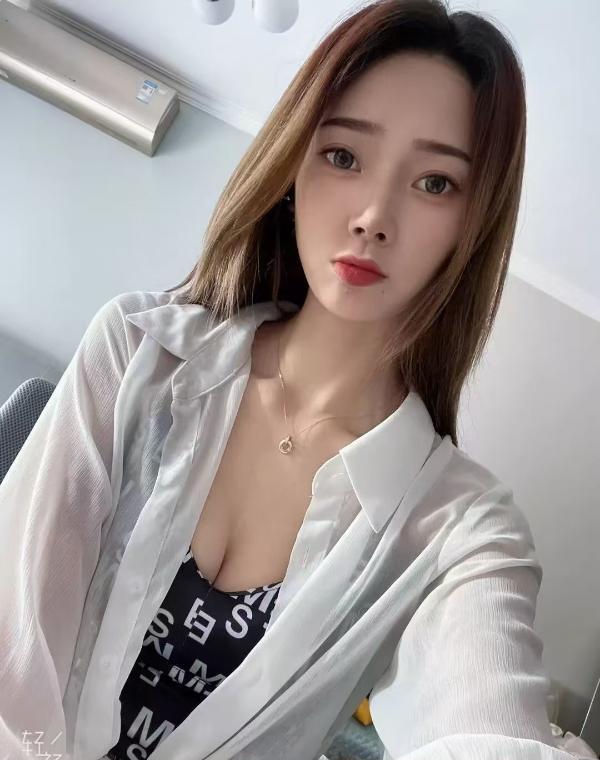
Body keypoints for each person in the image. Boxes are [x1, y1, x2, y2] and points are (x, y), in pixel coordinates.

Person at [0, 1, 575, 758]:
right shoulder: (138, 354)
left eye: (435, 183)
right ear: (294, 168)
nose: (373, 216)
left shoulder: (458, 530)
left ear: (473, 224)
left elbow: (489, 732)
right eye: (343, 155)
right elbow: (13, 645)